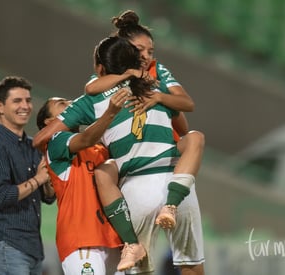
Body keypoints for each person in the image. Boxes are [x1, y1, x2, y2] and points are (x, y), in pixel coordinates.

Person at [33, 35, 203, 274]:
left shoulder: (98, 133)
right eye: (62, 104)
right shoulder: (62, 142)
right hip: (85, 239)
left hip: (116, 229)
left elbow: (90, 93)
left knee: (105, 174)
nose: (69, 103)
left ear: (100, 67)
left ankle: (133, 243)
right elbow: (184, 121)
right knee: (192, 264)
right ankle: (168, 208)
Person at [85, 10, 206, 275]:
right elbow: (91, 87)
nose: (147, 56)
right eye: (141, 49)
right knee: (105, 171)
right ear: (124, 48)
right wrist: (130, 76)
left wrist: (159, 98)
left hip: (167, 158)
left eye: (151, 50)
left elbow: (186, 106)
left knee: (194, 138)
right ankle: (133, 235)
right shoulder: (110, 78)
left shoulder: (156, 72)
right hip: (137, 168)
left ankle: (171, 204)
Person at [36, 91, 135, 274]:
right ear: (50, 123)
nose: (72, 103)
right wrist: (110, 112)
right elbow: (86, 138)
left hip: (113, 239)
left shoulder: (100, 146)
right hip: (81, 239)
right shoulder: (55, 142)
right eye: (62, 103)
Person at [0, 76, 55, 275]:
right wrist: (38, 179)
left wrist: (48, 177)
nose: (25, 106)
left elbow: (48, 197)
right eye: (17, 101)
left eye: (28, 100)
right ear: (0, 106)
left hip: (34, 247)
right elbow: (3, 197)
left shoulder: (34, 145)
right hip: (8, 244)